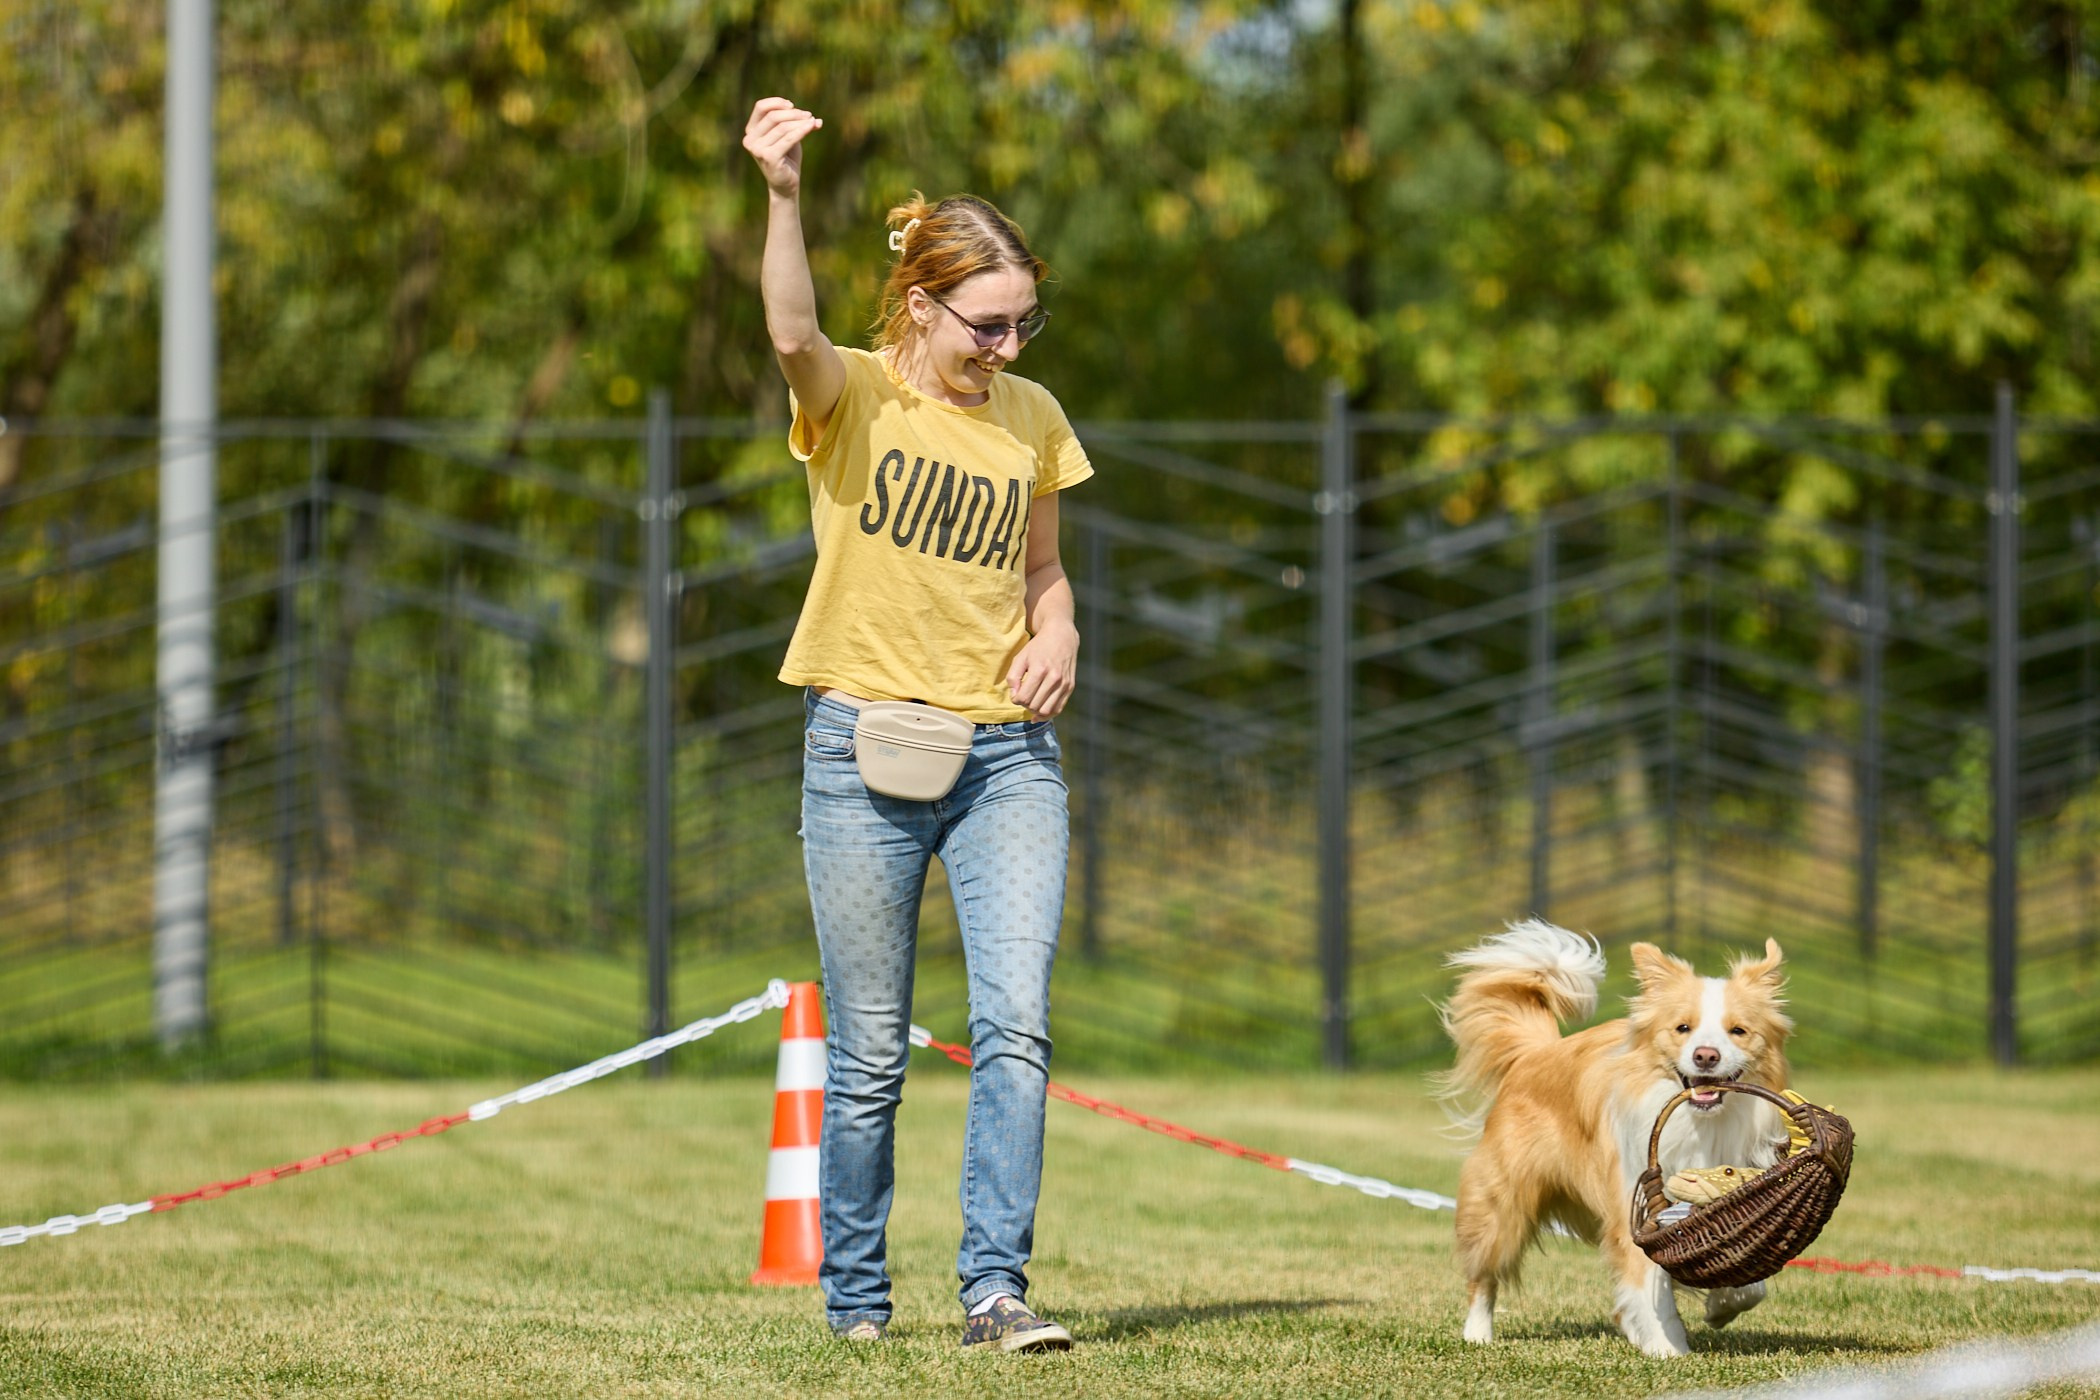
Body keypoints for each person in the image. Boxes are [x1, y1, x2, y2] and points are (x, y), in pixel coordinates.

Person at [741, 96, 1091, 1353]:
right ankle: (858, 1304)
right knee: (874, 1051)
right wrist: (783, 195)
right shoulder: (860, 398)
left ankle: (995, 1289)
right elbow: (790, 327)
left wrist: (1056, 633)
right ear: (922, 303)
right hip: (860, 749)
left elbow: (1044, 569)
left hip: (1006, 758)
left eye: (1019, 323)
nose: (1004, 345)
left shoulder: (1035, 418)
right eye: (985, 323)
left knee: (1016, 1026)